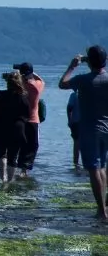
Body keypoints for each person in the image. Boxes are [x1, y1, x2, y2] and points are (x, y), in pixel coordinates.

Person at [58, 45, 108, 220]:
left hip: (90, 129)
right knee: (102, 166)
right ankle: (105, 205)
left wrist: (72, 66)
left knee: (93, 168)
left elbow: (62, 83)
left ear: (89, 62)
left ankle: (101, 210)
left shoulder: (83, 80)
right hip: (107, 128)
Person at [0, 71, 29, 182]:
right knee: (13, 157)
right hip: (17, 129)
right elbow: (28, 116)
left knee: (0, 153)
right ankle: (9, 181)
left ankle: (2, 178)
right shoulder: (23, 97)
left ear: (7, 83)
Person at [14, 62, 44, 178]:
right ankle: (24, 171)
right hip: (32, 121)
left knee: (20, 144)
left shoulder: (18, 86)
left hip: (19, 120)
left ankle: (16, 168)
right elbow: (42, 80)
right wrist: (32, 73)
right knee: (32, 145)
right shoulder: (36, 87)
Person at [68, 89, 81, 169]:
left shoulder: (74, 95)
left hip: (76, 122)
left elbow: (69, 108)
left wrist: (69, 120)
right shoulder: (89, 93)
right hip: (88, 122)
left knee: (76, 143)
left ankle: (76, 164)